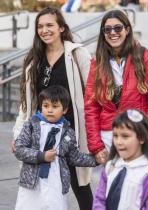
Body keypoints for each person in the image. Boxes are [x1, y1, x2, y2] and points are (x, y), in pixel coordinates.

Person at [11, 7, 94, 210]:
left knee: (80, 185)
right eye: (40, 26)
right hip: (40, 133)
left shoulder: (78, 54)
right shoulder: (33, 60)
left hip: (70, 132)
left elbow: (92, 96)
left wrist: (94, 134)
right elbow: (26, 104)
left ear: (62, 28)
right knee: (40, 186)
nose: (44, 30)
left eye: (50, 25)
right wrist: (18, 133)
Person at [84, 10, 148, 158]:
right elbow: (91, 106)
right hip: (107, 137)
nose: (112, 32)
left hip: (137, 133)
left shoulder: (145, 56)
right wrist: (96, 146)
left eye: (118, 28)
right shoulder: (98, 62)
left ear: (127, 30)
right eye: (107, 29)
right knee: (107, 180)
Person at [14, 86, 104, 210]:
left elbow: (74, 157)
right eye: (46, 106)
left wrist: (95, 160)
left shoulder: (68, 132)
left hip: (55, 183)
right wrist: (42, 156)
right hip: (31, 184)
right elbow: (19, 150)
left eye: (55, 106)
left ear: (65, 109)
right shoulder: (31, 125)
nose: (49, 110)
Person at [92, 109, 148, 209]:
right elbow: (100, 199)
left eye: (125, 136)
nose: (118, 142)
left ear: (141, 138)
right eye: (115, 136)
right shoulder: (111, 166)